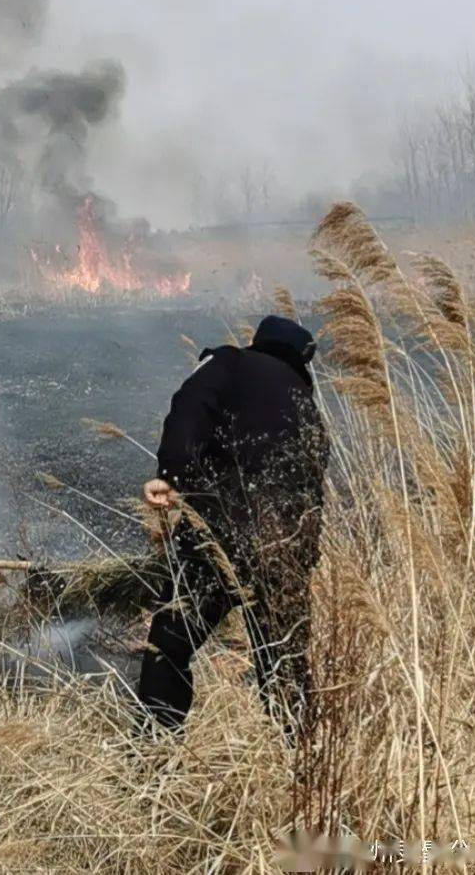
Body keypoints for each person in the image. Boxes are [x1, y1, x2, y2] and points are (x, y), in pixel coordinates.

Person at [137, 315, 328, 741]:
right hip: (285, 552)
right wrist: (302, 562)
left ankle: (153, 751)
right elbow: (312, 494)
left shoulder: (229, 363)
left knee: (169, 647)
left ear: (258, 343)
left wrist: (171, 474)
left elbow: (189, 407)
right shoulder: (308, 408)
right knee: (283, 663)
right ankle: (301, 760)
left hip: (220, 537)